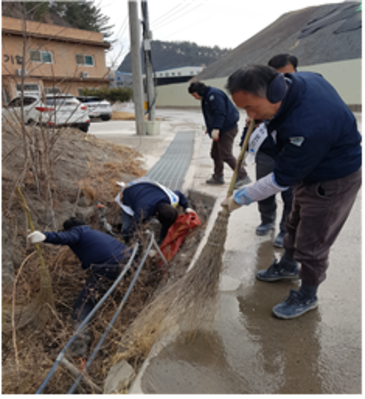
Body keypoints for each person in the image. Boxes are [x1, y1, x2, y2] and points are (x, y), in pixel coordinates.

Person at [223, 65, 361, 319]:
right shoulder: (299, 81)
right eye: (244, 109)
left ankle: (308, 294)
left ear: (275, 94)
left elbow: (280, 179)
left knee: (313, 241)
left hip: (332, 180)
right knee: (294, 221)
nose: (250, 116)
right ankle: (288, 265)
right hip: (309, 171)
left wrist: (240, 198)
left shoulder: (306, 126)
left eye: (251, 108)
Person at [27, 217, 132, 356]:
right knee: (101, 289)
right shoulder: (95, 233)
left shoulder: (78, 232)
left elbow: (67, 237)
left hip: (108, 268)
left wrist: (45, 236)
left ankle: (79, 348)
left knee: (81, 306)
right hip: (129, 262)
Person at [239, 54, 298, 246]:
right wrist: (245, 143)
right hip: (266, 152)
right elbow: (250, 124)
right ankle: (267, 219)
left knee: (290, 195)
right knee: (264, 189)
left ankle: (285, 229)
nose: (282, 82)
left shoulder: (299, 98)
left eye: (287, 75)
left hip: (290, 154)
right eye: (277, 76)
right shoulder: (263, 96)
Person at [188, 81, 251, 188]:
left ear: (199, 91)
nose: (195, 98)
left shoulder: (214, 95)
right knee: (215, 154)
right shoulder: (207, 96)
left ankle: (243, 176)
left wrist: (216, 128)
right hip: (221, 129)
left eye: (194, 95)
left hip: (227, 129)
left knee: (226, 154)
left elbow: (220, 112)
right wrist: (211, 128)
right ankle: (218, 177)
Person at [115, 177, 194, 244]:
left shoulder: (170, 198)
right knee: (126, 228)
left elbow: (179, 194)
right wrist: (137, 243)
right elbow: (132, 228)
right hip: (130, 193)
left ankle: (162, 240)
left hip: (147, 187)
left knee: (167, 220)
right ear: (156, 214)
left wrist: (186, 207)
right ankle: (126, 244)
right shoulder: (143, 212)